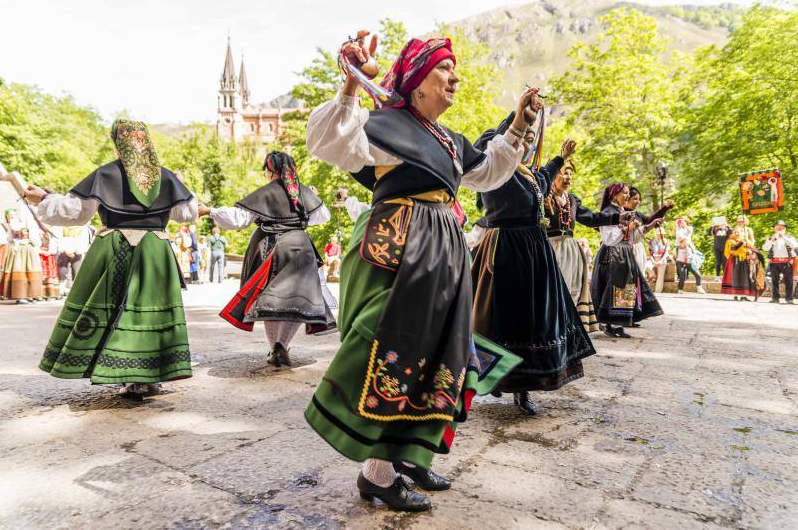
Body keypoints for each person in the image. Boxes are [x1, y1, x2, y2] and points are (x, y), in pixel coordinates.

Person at [303, 32, 529, 511]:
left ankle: (410, 454)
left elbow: (488, 173)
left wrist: (517, 127)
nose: (456, 77)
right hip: (400, 247)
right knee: (391, 346)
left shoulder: (448, 140)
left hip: (441, 251)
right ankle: (377, 473)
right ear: (418, 81)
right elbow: (329, 143)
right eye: (445, 68)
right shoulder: (385, 125)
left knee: (438, 353)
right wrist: (350, 84)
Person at [27, 119, 197, 397]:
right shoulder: (166, 177)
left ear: (118, 143)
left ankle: (125, 374)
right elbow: (186, 214)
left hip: (115, 247)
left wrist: (45, 197)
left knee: (111, 309)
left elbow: (76, 212)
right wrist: (178, 185)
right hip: (155, 250)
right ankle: (146, 377)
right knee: (147, 316)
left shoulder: (105, 174)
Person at [471, 113, 603, 416]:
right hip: (506, 249)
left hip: (534, 250)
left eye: (531, 140)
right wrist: (510, 130)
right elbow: (482, 152)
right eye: (523, 138)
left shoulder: (528, 174)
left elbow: (544, 177)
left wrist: (561, 157)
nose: (527, 144)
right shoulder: (494, 167)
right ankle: (498, 378)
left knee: (533, 319)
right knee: (505, 317)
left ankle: (524, 386)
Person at [202, 151, 337, 367]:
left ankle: (275, 347)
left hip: (272, 249)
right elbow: (323, 216)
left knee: (270, 301)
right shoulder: (302, 191)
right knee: (298, 302)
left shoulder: (266, 193)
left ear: (270, 170)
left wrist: (210, 210)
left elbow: (239, 219)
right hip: (302, 248)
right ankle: (281, 345)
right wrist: (305, 206)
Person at [544, 158, 629, 331]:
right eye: (564, 173)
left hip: (570, 250)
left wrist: (616, 218)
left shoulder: (572, 200)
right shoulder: (544, 197)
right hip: (550, 248)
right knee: (553, 291)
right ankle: (552, 329)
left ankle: (567, 330)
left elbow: (591, 218)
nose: (568, 177)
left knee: (571, 291)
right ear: (553, 176)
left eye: (570, 174)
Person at [590, 183, 664, 338]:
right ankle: (609, 323)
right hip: (612, 255)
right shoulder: (607, 213)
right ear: (614, 195)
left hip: (625, 254)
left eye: (627, 194)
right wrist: (627, 229)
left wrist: (650, 226)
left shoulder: (624, 212)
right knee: (613, 288)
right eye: (624, 193)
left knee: (625, 289)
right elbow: (608, 239)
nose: (627, 197)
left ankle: (619, 323)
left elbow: (633, 238)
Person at [624, 187, 674, 279]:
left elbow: (650, 221)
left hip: (638, 249)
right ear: (626, 199)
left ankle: (637, 293)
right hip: (624, 250)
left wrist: (665, 208)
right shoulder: (619, 214)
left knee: (639, 278)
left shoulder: (637, 214)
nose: (638, 201)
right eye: (635, 199)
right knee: (628, 279)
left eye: (639, 199)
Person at [0, 207, 43, 304]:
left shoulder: (14, 223)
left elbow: (9, 238)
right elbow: (35, 239)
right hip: (26, 248)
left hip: (15, 248)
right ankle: (24, 295)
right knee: (26, 271)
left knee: (20, 271)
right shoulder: (29, 225)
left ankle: (24, 295)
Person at [721, 219, 762, 301]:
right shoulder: (730, 241)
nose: (737, 233)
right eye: (735, 232)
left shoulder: (745, 240)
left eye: (738, 232)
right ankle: (736, 295)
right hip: (735, 260)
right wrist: (741, 243)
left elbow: (752, 247)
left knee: (745, 277)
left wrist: (750, 246)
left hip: (744, 260)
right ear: (732, 233)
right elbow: (732, 251)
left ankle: (744, 295)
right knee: (736, 277)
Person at [762, 220, 797, 304]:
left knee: (789, 280)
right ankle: (775, 298)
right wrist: (772, 240)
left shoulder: (789, 237)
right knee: (774, 280)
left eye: (781, 227)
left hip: (787, 262)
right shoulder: (771, 238)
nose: (779, 228)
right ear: (774, 228)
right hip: (774, 262)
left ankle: (789, 298)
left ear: (785, 228)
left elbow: (795, 245)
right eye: (777, 227)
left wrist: (783, 237)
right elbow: (765, 248)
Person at [57, 224, 92, 296]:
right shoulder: (62, 225)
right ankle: (61, 291)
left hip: (76, 252)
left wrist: (77, 251)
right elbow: (59, 238)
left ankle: (75, 292)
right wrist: (65, 250)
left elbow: (84, 240)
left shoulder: (82, 227)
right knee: (62, 271)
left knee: (76, 272)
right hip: (64, 252)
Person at [39, 229, 60, 299]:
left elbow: (54, 244)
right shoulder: (38, 232)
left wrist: (50, 252)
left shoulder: (51, 233)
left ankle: (51, 293)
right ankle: (41, 294)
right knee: (42, 274)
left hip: (49, 256)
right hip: (40, 255)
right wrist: (40, 251)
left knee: (50, 274)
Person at [648, 227, 670, 294]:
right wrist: (653, 261)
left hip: (662, 260)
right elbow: (649, 253)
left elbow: (666, 253)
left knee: (660, 276)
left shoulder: (666, 242)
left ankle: (658, 292)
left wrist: (660, 261)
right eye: (659, 234)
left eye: (662, 234)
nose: (660, 235)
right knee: (647, 266)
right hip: (653, 259)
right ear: (656, 234)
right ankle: (653, 275)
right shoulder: (651, 241)